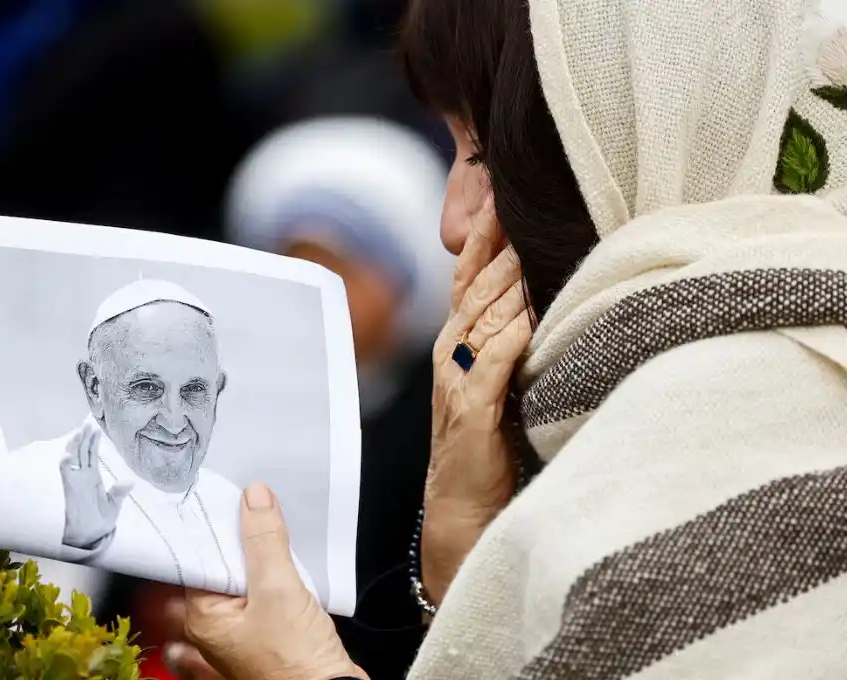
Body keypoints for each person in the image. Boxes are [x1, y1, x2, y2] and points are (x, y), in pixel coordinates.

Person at [164, 0, 847, 678]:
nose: (452, 225)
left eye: (484, 154)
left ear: (649, 134)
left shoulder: (728, 442)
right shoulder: (660, 422)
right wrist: (461, 565)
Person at [155, 117, 453, 680]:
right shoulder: (223, 403)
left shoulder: (437, 428)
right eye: (295, 266)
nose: (315, 290)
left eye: (340, 268)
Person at [12, 278, 316, 597]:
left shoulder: (232, 507)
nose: (173, 421)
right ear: (95, 387)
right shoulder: (28, 477)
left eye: (194, 390)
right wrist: (80, 546)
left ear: (218, 391)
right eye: (147, 388)